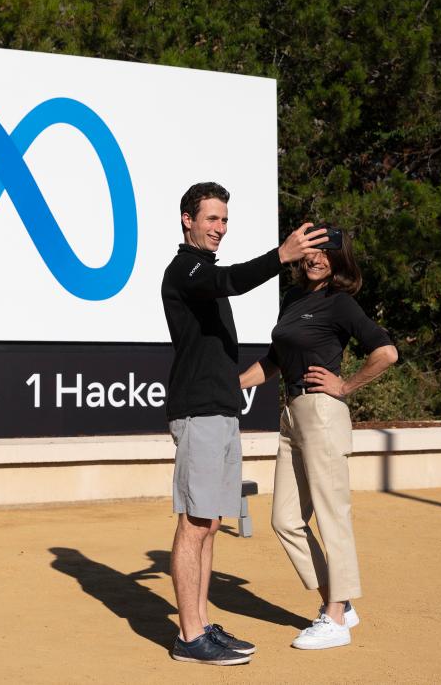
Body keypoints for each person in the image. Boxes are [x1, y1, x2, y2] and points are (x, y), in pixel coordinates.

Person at [161, 182, 327, 665]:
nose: (220, 228)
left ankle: (201, 624)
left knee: (210, 522)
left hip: (220, 408)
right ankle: (190, 637)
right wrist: (281, 255)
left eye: (225, 220)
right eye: (212, 218)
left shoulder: (203, 270)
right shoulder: (185, 269)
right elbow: (230, 280)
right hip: (198, 409)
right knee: (194, 522)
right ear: (188, 220)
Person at [239, 224, 397, 651]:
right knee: (285, 521)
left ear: (338, 261)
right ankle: (338, 602)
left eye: (326, 252)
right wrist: (233, 385)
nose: (315, 257)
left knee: (331, 516)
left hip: (323, 414)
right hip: (292, 415)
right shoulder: (293, 299)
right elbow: (274, 360)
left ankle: (335, 618)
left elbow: (386, 352)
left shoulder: (339, 302)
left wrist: (345, 386)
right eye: (312, 249)